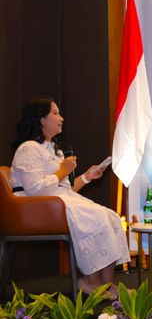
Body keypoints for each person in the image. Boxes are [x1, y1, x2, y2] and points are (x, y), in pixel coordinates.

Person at [10, 97, 130, 297]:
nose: (61, 118)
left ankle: (105, 284)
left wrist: (86, 177)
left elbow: (65, 190)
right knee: (96, 218)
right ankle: (90, 281)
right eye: (55, 113)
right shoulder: (28, 148)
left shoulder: (52, 150)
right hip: (35, 207)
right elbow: (34, 189)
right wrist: (62, 171)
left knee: (111, 216)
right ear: (41, 119)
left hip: (56, 201)